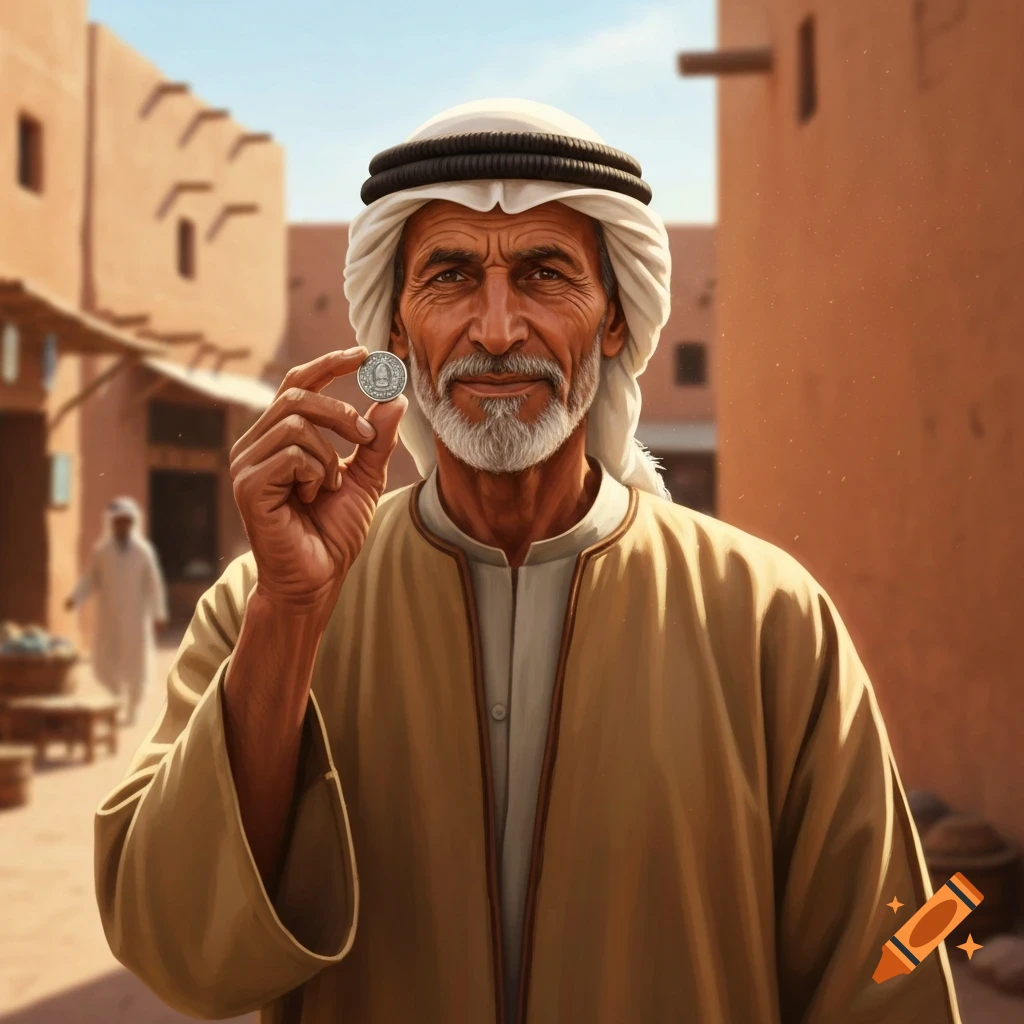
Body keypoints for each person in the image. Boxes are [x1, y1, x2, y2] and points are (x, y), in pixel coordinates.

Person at [94, 100, 961, 1024]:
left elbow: (894, 962)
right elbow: (176, 948)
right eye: (452, 277)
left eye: (545, 276)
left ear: (616, 322)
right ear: (394, 336)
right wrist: (289, 621)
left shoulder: (766, 620)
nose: (498, 329)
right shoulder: (267, 603)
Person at [67, 497, 168, 726]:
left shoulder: (143, 552)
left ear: (132, 523)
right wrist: (75, 598)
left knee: (136, 667)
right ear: (111, 523)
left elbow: (154, 585)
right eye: (118, 521)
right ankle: (115, 701)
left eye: (126, 521)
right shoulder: (102, 551)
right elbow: (90, 579)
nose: (122, 526)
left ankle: (133, 709)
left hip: (136, 618)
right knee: (104, 665)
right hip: (109, 617)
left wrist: (159, 615)